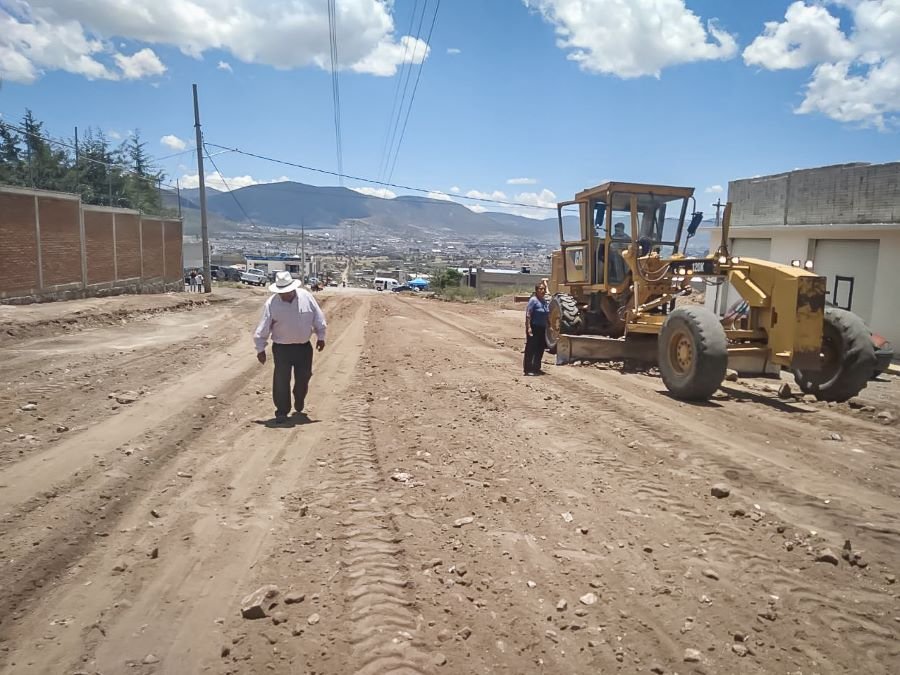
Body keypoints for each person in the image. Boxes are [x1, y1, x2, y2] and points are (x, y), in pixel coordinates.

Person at [254, 271, 327, 423]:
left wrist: (321, 337)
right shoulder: (272, 304)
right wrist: (260, 348)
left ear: (293, 288)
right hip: (282, 349)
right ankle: (282, 411)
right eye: (281, 292)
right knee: (281, 379)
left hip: (303, 347)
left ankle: (299, 398)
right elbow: (263, 327)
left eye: (286, 292)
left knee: (304, 378)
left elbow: (318, 317)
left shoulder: (306, 297)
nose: (284, 295)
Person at [524, 283, 549, 376]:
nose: (543, 291)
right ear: (536, 290)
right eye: (541, 289)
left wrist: (549, 326)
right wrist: (529, 327)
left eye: (544, 289)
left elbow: (546, 314)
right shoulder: (533, 300)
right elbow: (528, 314)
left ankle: (536, 368)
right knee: (531, 348)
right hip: (534, 327)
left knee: (540, 348)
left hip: (542, 328)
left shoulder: (544, 301)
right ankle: (528, 369)